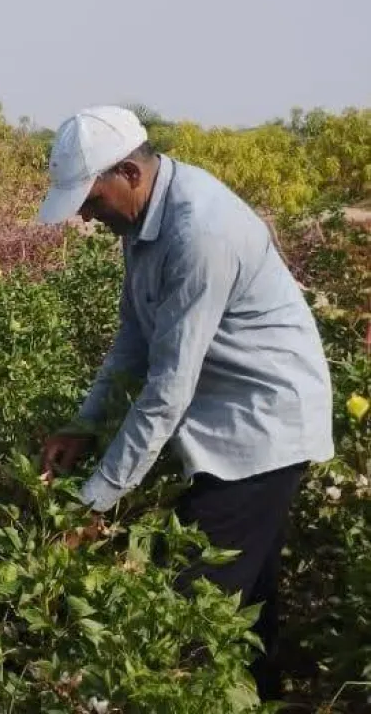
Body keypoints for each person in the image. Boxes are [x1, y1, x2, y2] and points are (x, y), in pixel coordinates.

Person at [35, 105, 335, 701]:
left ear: (129, 173)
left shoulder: (199, 231)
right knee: (245, 604)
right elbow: (133, 339)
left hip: (261, 429)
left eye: (91, 201)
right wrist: (83, 425)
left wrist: (94, 503)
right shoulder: (142, 222)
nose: (87, 217)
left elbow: (167, 389)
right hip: (226, 420)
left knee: (186, 613)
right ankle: (262, 696)